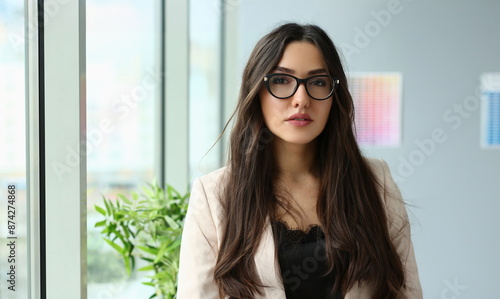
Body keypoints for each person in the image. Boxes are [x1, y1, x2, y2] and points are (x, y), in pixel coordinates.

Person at [177, 23, 422, 299]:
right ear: (257, 91)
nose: (301, 99)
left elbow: (406, 292)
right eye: (282, 80)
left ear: (334, 95)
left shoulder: (376, 182)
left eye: (318, 82)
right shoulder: (213, 195)